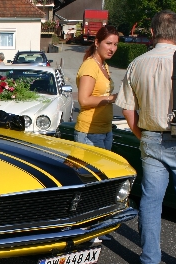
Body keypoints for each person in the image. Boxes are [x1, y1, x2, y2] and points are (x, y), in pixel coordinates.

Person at [115, 10, 176, 264]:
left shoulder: (136, 64)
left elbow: (128, 111)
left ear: (151, 33)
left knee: (151, 202)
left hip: (150, 136)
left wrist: (143, 136)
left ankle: (150, 260)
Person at [74, 25, 119, 242]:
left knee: (102, 183)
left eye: (116, 44)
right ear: (97, 43)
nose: (112, 48)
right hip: (89, 133)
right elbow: (83, 100)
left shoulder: (104, 66)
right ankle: (87, 231)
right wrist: (110, 98)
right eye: (108, 43)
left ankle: (97, 226)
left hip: (103, 130)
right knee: (91, 184)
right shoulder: (90, 67)